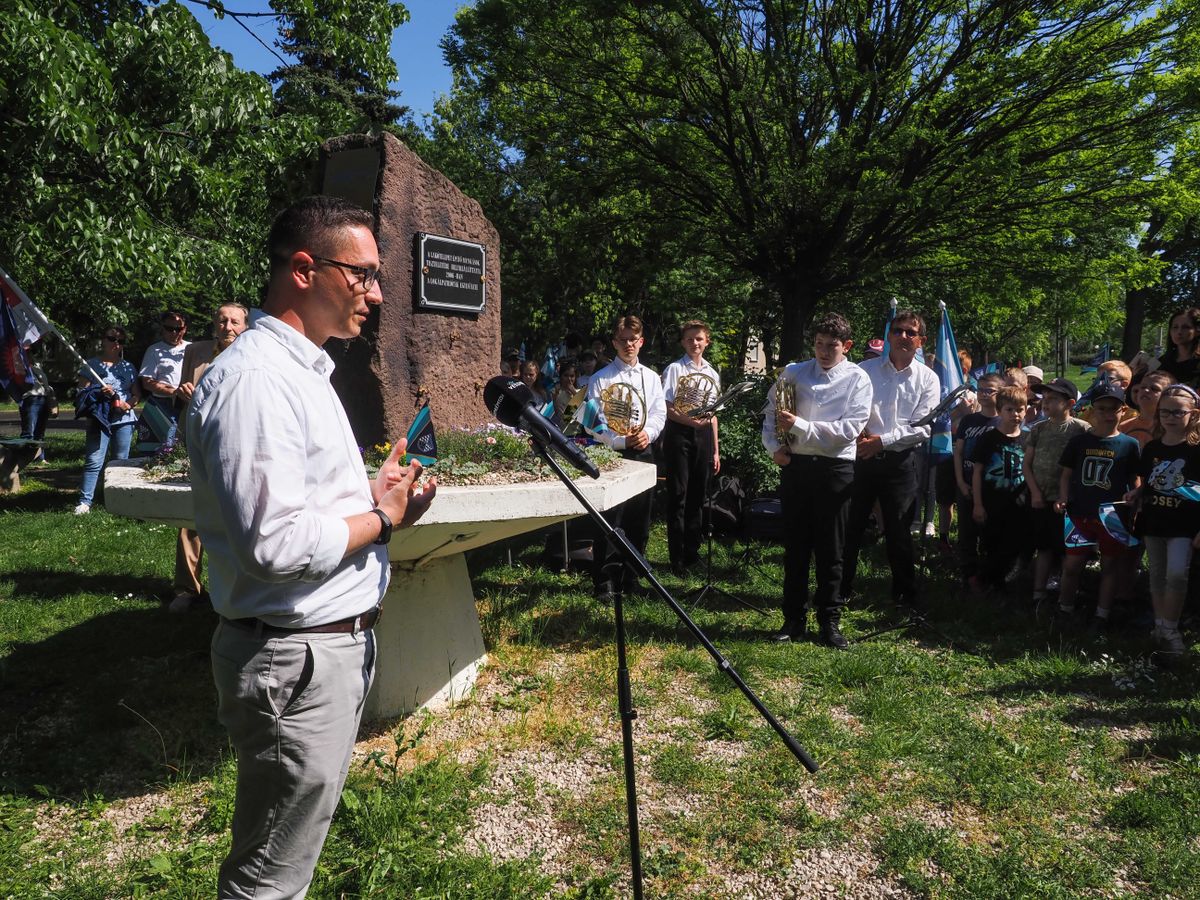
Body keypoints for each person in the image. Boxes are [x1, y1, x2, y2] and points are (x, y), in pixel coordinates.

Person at [186, 196, 437, 898]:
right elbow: (275, 543)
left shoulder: (305, 371)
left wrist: (372, 495)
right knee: (269, 878)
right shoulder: (259, 382)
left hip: (318, 651)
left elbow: (300, 507)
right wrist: (382, 522)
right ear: (305, 269)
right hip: (291, 658)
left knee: (287, 858)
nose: (376, 293)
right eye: (362, 275)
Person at [763, 313, 872, 647]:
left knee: (831, 549)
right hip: (797, 466)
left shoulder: (858, 379)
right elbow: (769, 415)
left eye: (832, 346)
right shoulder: (794, 372)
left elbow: (848, 431)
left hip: (835, 469)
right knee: (796, 547)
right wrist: (772, 449)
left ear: (847, 346)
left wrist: (799, 426)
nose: (824, 352)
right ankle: (793, 619)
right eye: (820, 344)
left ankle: (830, 622)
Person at [840, 310, 940, 610]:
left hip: (900, 463)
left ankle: (904, 596)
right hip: (860, 458)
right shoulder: (864, 369)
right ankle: (839, 591)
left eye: (911, 333)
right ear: (889, 335)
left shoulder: (928, 379)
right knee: (850, 527)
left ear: (920, 341)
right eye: (897, 331)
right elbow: (845, 407)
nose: (903, 337)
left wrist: (882, 441)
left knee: (899, 533)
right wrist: (860, 437)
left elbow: (923, 428)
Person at [168, 303, 250, 614]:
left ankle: (235, 583)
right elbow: (183, 389)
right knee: (192, 510)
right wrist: (185, 391)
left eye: (234, 321)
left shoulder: (252, 352)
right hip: (198, 436)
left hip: (238, 438)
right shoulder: (197, 351)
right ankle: (187, 587)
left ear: (245, 326)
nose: (228, 326)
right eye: (222, 320)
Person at [586, 315, 666, 601]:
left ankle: (632, 578)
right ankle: (605, 582)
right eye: (623, 339)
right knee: (611, 517)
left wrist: (649, 434)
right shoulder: (599, 379)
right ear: (614, 342)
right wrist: (619, 439)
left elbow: (659, 413)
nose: (628, 344)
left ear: (641, 342)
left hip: (643, 450)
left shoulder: (652, 377)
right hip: (613, 452)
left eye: (633, 339)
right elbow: (591, 424)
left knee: (639, 517)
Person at [1054, 381, 1140, 635]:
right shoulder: (1079, 442)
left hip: (1113, 515)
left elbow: (1134, 478)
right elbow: (1066, 475)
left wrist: (1134, 502)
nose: (1107, 414)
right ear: (1093, 410)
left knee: (1110, 566)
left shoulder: (1129, 444)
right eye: (1101, 408)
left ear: (1122, 410)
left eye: (1113, 409)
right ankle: (1064, 608)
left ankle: (1102, 614)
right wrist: (1063, 497)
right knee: (1072, 565)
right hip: (1079, 511)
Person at [1129, 383, 1200, 656]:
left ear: (1192, 414)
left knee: (1177, 575)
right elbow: (1150, 483)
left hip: (1184, 525)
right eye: (1165, 412)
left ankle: (1171, 628)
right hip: (1154, 521)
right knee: (1156, 575)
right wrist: (1136, 493)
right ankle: (1159, 627)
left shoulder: (1196, 450)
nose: (1170, 417)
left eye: (1177, 412)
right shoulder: (1152, 448)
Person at [661, 320, 722, 576]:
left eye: (699, 339)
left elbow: (715, 414)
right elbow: (668, 408)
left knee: (698, 495)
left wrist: (716, 449)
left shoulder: (712, 372)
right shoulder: (674, 369)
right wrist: (692, 421)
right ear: (682, 342)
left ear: (707, 341)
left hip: (704, 435)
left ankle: (692, 552)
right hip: (681, 434)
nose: (694, 343)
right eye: (689, 339)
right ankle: (676, 558)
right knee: (679, 495)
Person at [1024, 378, 1090, 610]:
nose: (1046, 404)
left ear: (1070, 403)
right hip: (1041, 497)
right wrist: (1034, 492)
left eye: (1053, 400)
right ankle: (1038, 592)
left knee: (1067, 550)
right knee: (1043, 547)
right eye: (1045, 399)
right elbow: (1027, 465)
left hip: (1069, 501)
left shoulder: (1081, 429)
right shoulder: (1038, 429)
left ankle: (1067, 594)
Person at [970, 386, 1030, 595]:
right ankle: (983, 580)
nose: (1016, 415)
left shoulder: (1029, 438)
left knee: (1015, 545)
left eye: (1020, 409)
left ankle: (1003, 583)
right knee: (991, 543)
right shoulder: (988, 439)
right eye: (1010, 410)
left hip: (1020, 502)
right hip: (992, 501)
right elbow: (977, 472)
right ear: (1000, 410)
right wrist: (977, 504)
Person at [74, 326, 141, 515]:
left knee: (121, 462)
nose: (116, 343)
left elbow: (136, 394)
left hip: (124, 420)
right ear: (103, 340)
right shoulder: (91, 366)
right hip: (99, 419)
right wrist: (98, 392)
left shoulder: (128, 367)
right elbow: (81, 394)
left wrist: (128, 405)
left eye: (121, 341)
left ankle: (117, 500)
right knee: (94, 460)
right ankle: (85, 502)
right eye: (112, 339)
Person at [955, 371, 1002, 592]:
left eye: (989, 390)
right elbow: (958, 453)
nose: (983, 394)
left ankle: (990, 575)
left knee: (991, 533)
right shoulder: (969, 420)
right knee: (966, 533)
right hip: (966, 483)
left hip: (992, 487)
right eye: (980, 389)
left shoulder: (1003, 420)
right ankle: (968, 574)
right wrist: (961, 482)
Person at [139, 311, 191, 445]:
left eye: (178, 329)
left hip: (189, 404)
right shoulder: (154, 350)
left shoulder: (192, 348)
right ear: (162, 328)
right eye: (169, 328)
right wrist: (175, 392)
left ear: (184, 329)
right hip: (163, 405)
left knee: (187, 446)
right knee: (163, 446)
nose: (174, 332)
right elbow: (147, 382)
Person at [1120, 370, 1172, 448]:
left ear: (1167, 396)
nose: (1146, 390)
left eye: (1154, 388)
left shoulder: (1170, 427)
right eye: (1143, 387)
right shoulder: (1124, 426)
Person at [1155, 308, 1200, 386]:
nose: (1179, 332)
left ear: (1197, 331)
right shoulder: (1162, 362)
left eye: (1185, 327)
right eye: (1175, 327)